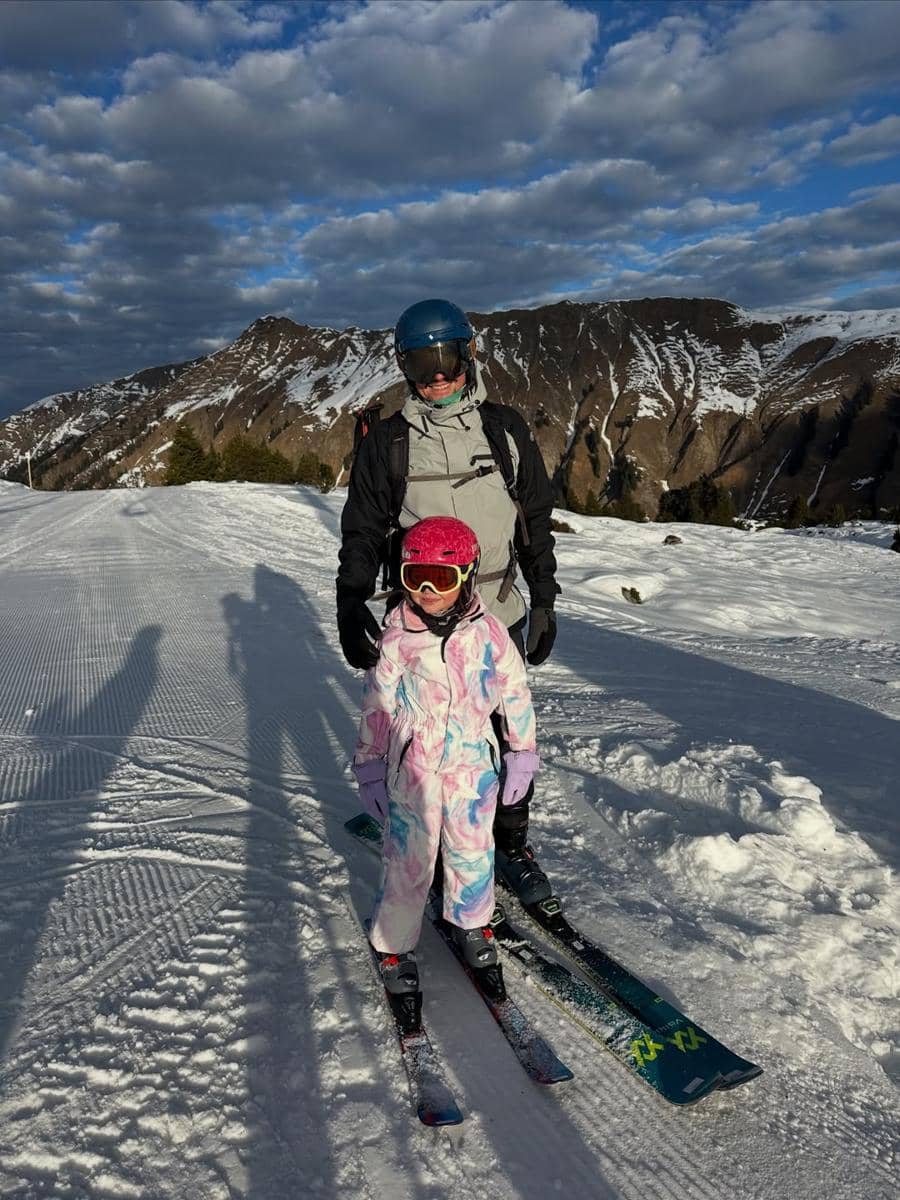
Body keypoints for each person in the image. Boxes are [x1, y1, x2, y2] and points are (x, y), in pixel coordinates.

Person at [337, 298, 559, 906]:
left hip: (497, 613)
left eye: (446, 357)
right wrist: (350, 599)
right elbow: (362, 528)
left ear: (468, 353)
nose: (437, 375)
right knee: (422, 736)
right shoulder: (389, 443)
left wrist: (544, 598)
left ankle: (509, 840)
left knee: (504, 731)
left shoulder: (504, 429)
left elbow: (533, 520)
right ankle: (428, 833)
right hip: (423, 622)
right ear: (405, 367)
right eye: (421, 361)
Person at [352, 517, 539, 1013]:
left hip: (474, 766)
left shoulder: (490, 635)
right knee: (409, 858)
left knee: (473, 851)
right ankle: (394, 945)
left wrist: (521, 751)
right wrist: (370, 764)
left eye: (442, 578)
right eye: (416, 579)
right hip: (414, 768)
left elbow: (515, 693)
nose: (429, 591)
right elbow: (378, 706)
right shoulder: (397, 640)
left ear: (469, 576)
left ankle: (471, 922)